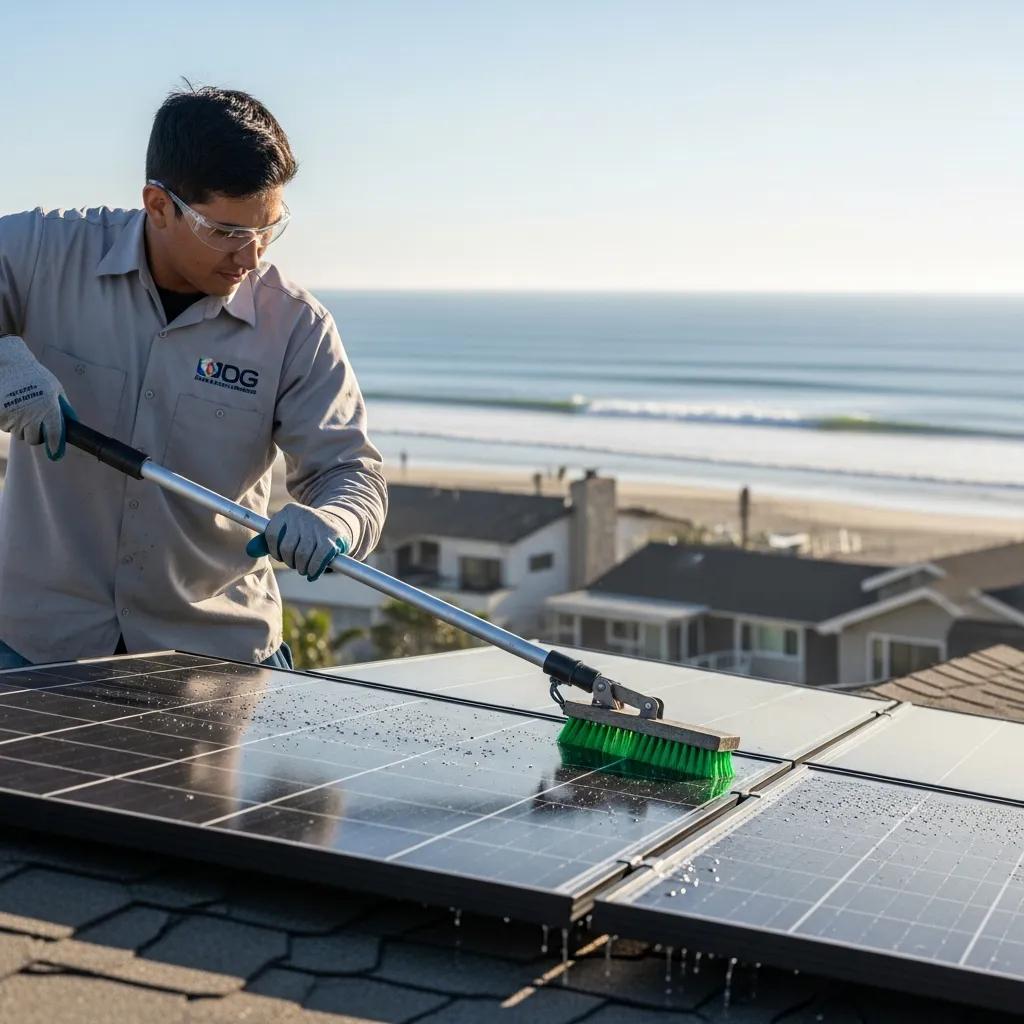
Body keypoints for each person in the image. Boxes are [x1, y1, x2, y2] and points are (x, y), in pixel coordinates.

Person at [0, 84, 387, 670]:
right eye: (227, 232)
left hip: (215, 660)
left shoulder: (298, 327)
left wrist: (333, 518)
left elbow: (352, 475)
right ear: (158, 204)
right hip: (36, 648)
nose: (251, 257)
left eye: (268, 229)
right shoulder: (43, 252)